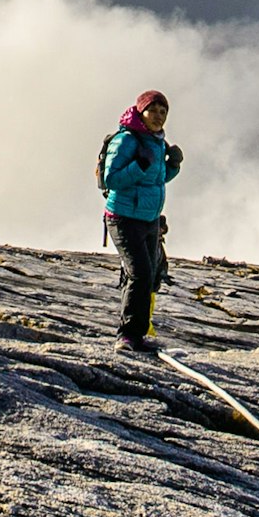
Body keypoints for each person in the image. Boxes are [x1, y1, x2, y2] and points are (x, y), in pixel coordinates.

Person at [96, 90, 182, 350]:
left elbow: (155, 181)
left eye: (163, 112)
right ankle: (128, 335)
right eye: (153, 110)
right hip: (124, 218)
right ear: (141, 111)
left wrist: (173, 168)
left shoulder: (155, 141)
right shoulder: (127, 141)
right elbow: (112, 179)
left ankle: (138, 334)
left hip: (149, 219)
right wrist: (140, 166)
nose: (158, 116)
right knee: (140, 274)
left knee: (149, 274)